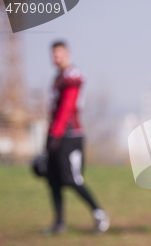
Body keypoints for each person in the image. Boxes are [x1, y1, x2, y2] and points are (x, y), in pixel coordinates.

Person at [44, 41, 109, 235]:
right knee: (53, 179)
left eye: (59, 54)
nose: (56, 58)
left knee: (72, 179)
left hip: (70, 135)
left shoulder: (72, 76)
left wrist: (55, 134)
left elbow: (67, 107)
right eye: (53, 55)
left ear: (68, 54)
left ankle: (99, 213)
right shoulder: (57, 78)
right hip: (55, 133)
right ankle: (59, 222)